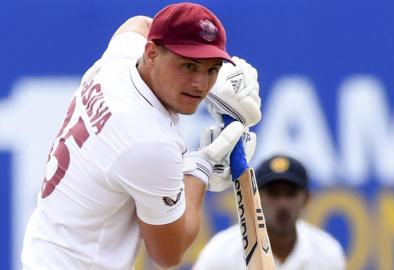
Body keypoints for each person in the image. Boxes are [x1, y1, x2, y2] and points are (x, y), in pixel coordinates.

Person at [21, 2, 261, 269]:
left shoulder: (119, 62)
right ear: (151, 53)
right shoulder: (149, 141)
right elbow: (168, 253)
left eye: (212, 69)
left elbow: (139, 23)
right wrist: (201, 168)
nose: (201, 85)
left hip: (46, 250)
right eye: (189, 66)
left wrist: (213, 69)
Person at [194, 154, 347, 270]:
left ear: (306, 199)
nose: (283, 203)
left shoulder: (327, 254)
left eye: (291, 193)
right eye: (273, 193)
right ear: (255, 199)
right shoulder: (221, 254)